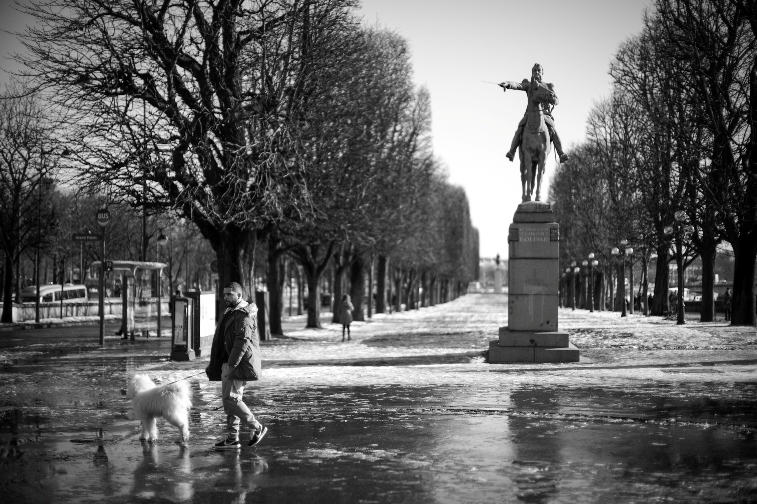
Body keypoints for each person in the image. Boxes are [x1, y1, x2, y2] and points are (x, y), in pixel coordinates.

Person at [206, 282, 267, 450]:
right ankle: (233, 438)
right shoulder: (232, 311)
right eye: (224, 294)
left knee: (231, 400)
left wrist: (231, 364)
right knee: (233, 400)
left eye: (229, 294)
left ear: (239, 296)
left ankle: (257, 427)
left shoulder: (244, 315)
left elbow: (242, 342)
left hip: (237, 364)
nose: (225, 297)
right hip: (231, 362)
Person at [500, 63, 569, 163]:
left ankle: (561, 153)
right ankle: (512, 151)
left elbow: (557, 101)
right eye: (534, 71)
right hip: (530, 114)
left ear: (542, 73)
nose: (536, 72)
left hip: (544, 114)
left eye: (538, 71)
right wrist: (508, 83)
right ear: (532, 73)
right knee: (520, 127)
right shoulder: (529, 85)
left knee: (552, 129)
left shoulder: (548, 86)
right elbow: (518, 85)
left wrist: (552, 99)